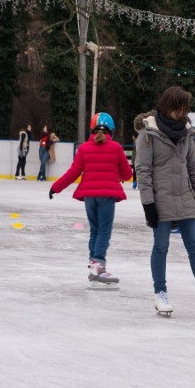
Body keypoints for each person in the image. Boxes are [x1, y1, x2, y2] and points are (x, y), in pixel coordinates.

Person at [135, 86, 195, 317]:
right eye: (179, 109)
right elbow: (143, 171)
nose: (183, 113)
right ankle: (160, 293)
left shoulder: (187, 132)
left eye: (185, 109)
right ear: (168, 107)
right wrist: (148, 204)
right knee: (161, 247)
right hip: (160, 198)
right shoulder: (148, 134)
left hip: (185, 197)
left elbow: (194, 168)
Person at [50, 113, 132, 288]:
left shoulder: (84, 148)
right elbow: (127, 174)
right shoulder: (117, 148)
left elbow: (73, 173)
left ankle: (94, 262)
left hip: (89, 196)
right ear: (112, 130)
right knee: (103, 230)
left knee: (95, 230)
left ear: (92, 128)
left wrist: (55, 187)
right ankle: (98, 266)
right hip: (106, 195)